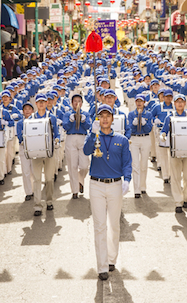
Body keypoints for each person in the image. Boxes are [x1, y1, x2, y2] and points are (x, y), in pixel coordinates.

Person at [83, 104, 132, 281]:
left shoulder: (122, 139)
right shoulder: (94, 135)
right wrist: (91, 134)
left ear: (112, 118)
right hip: (96, 184)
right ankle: (102, 266)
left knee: (114, 225)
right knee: (99, 226)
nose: (104, 119)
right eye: (101, 116)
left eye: (108, 116)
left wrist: (127, 179)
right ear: (98, 119)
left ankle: (112, 259)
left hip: (115, 185)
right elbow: (86, 151)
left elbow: (127, 162)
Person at [160, 94, 187, 213]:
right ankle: (178, 202)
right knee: (175, 177)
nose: (180, 103)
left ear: (185, 103)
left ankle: (185, 197)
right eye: (177, 101)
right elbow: (164, 130)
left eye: (182, 101)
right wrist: (163, 136)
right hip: (175, 151)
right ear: (174, 103)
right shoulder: (169, 117)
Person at [62, 93, 91, 199]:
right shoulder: (67, 114)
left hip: (82, 137)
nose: (77, 103)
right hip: (71, 137)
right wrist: (70, 120)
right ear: (72, 103)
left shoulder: (86, 114)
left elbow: (89, 126)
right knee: (72, 165)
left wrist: (83, 121)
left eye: (79, 101)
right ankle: (74, 190)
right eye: (75, 101)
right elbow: (65, 127)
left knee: (84, 165)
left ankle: (80, 179)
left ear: (82, 103)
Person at [126, 94, 153, 197]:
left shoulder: (148, 114)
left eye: (141, 101)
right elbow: (129, 128)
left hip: (145, 138)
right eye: (137, 101)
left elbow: (149, 129)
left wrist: (145, 124)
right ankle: (136, 189)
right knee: (135, 164)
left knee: (144, 164)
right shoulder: (131, 114)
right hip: (134, 139)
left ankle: (143, 186)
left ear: (144, 102)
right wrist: (133, 124)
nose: (139, 103)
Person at [17, 102, 36, 201]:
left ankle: (35, 190)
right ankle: (28, 192)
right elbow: (20, 137)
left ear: (32, 111)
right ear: (23, 111)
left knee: (34, 171)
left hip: (34, 147)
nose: (27, 111)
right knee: (26, 171)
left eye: (29, 109)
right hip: (23, 147)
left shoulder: (36, 121)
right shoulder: (20, 123)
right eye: (25, 109)